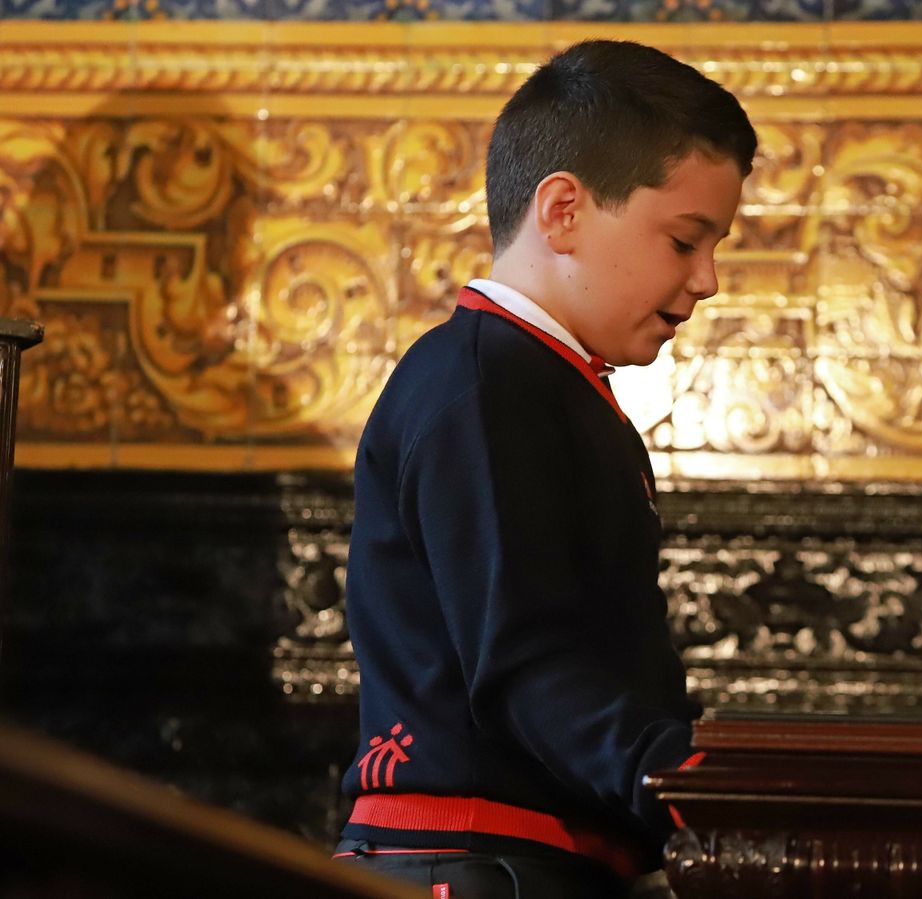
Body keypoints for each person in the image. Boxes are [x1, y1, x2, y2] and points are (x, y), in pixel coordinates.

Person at [331, 39, 756, 898]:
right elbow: (527, 666)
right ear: (562, 210)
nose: (708, 279)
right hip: (479, 862)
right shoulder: (485, 383)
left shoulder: (539, 383)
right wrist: (694, 784)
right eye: (684, 240)